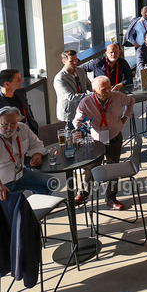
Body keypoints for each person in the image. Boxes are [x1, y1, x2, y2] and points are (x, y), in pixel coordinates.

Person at [0, 107, 52, 213]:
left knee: (50, 183)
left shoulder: (22, 129)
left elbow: (37, 143)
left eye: (13, 123)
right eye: (4, 124)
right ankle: (16, 221)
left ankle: (30, 218)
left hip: (18, 175)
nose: (10, 128)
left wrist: (37, 154)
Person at [75, 76, 136, 210]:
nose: (108, 91)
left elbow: (131, 101)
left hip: (114, 137)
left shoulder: (118, 96)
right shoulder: (86, 102)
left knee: (113, 168)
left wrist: (125, 117)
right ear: (94, 90)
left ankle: (111, 198)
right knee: (92, 167)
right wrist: (78, 132)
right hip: (97, 140)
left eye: (109, 87)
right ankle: (83, 193)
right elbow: (77, 121)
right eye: (104, 89)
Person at [0, 69, 39, 135]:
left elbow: (27, 110)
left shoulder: (20, 93)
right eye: (17, 79)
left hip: (30, 132)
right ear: (7, 84)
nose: (21, 80)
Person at [53, 50, 91, 126]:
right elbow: (71, 97)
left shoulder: (80, 71)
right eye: (71, 61)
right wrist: (91, 95)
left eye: (76, 60)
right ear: (64, 61)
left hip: (82, 110)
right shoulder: (60, 78)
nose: (75, 63)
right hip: (69, 114)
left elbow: (89, 85)